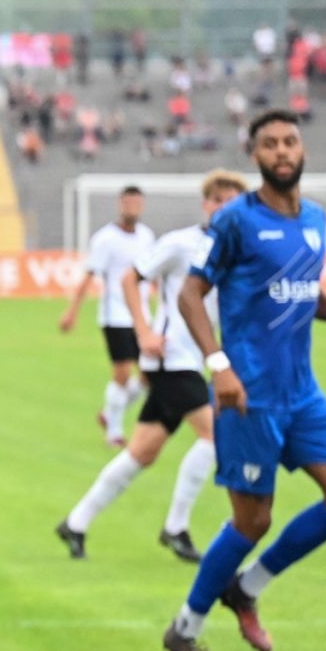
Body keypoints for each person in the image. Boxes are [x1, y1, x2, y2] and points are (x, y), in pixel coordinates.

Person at [162, 111, 326, 651]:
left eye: (290, 141)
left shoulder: (315, 219)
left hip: (302, 394)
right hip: (248, 395)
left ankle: (247, 588)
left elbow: (303, 290)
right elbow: (190, 294)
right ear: (254, 155)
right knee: (252, 521)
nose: (282, 151)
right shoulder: (235, 220)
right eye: (270, 144)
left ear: (302, 149)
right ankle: (185, 630)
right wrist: (219, 366)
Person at [57, 170, 249, 562]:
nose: (224, 208)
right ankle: (176, 527)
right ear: (206, 204)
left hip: (193, 361)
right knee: (216, 436)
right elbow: (130, 279)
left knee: (141, 452)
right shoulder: (180, 243)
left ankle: (75, 523)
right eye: (218, 200)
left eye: (233, 202)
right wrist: (144, 331)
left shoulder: (238, 251)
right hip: (170, 358)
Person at [60, 186, 155, 447]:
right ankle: (114, 432)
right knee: (122, 373)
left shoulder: (147, 236)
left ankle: (109, 412)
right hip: (116, 315)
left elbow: (152, 273)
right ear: (120, 205)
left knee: (150, 376)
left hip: (142, 315)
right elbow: (89, 275)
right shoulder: (105, 239)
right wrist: (72, 311)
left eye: (137, 203)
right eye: (128, 203)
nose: (132, 208)